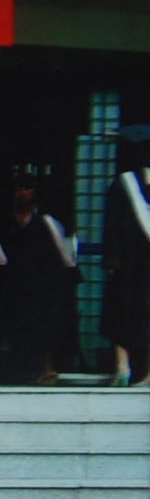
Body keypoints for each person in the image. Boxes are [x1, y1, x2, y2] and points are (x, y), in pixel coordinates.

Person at [0, 173, 80, 384]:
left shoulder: (46, 220)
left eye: (26, 188)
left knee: (44, 328)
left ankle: (47, 369)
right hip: (18, 283)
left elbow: (64, 253)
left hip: (44, 284)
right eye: (18, 189)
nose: (21, 193)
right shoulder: (8, 221)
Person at [102, 151, 150, 384]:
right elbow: (112, 225)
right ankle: (123, 367)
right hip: (129, 265)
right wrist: (112, 260)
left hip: (139, 265)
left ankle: (145, 372)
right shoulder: (124, 184)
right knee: (122, 315)